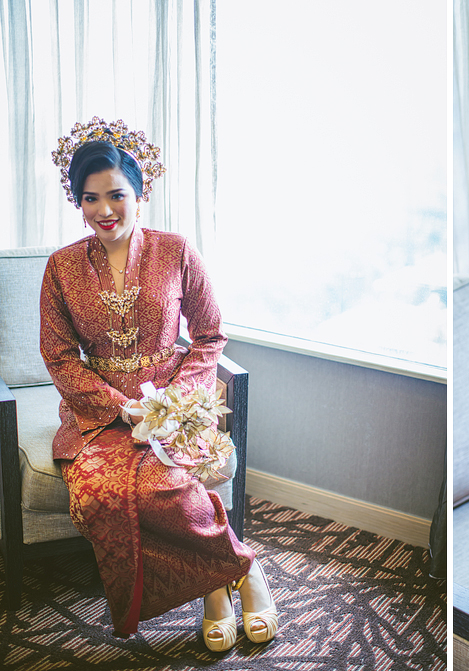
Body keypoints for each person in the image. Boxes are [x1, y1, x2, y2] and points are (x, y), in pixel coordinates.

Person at [42, 118, 278, 651]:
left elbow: (210, 333)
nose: (104, 210)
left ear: (139, 193)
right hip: (96, 413)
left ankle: (217, 590)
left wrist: (175, 400)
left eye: (116, 195)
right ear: (78, 202)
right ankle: (240, 569)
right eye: (90, 198)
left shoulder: (176, 251)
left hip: (176, 404)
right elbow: (58, 355)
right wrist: (119, 406)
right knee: (99, 495)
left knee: (163, 484)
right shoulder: (61, 268)